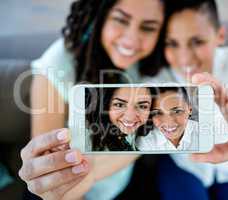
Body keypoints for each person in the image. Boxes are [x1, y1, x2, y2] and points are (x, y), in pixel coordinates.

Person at [19, 0, 170, 199]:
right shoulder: (56, 65)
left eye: (148, 28)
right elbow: (54, 183)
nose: (132, 40)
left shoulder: (151, 63)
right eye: (120, 20)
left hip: (122, 181)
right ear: (100, 17)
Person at [143, 0, 228, 199]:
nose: (184, 59)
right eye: (172, 43)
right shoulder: (159, 79)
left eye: (197, 42)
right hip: (184, 166)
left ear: (220, 35)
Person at [86, 87, 154, 151]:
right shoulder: (86, 139)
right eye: (119, 105)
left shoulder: (145, 133)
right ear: (106, 105)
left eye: (142, 106)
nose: (129, 118)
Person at [137, 87, 201, 151]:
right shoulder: (145, 142)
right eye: (157, 113)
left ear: (190, 110)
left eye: (177, 111)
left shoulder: (203, 133)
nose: (169, 123)